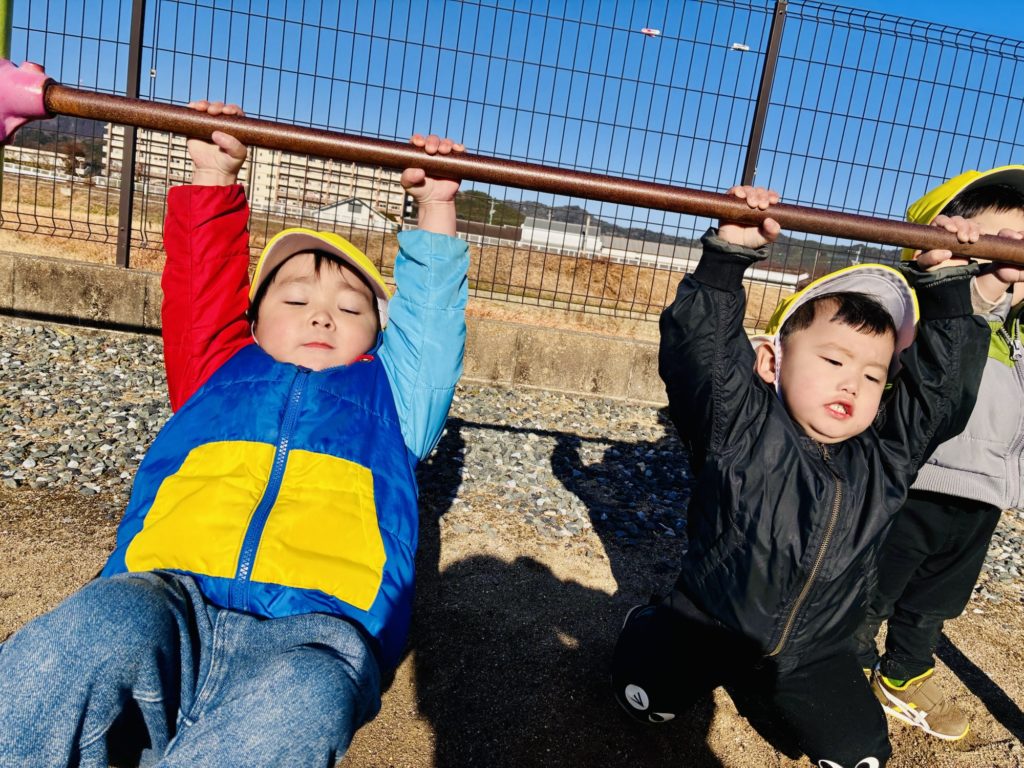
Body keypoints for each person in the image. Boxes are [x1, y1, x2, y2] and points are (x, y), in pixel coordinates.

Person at [0, 101, 469, 767]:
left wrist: (436, 210)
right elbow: (200, 284)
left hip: (316, 630)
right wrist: (213, 173)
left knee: (308, 698)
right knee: (84, 635)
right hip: (168, 593)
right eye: (295, 299)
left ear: (378, 335)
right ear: (252, 324)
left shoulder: (395, 400)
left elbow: (430, 327)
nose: (322, 316)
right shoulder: (216, 369)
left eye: (350, 307)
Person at [611, 184, 996, 767]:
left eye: (873, 375)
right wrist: (726, 257)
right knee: (643, 703)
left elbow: (941, 397)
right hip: (706, 624)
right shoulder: (738, 425)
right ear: (772, 361)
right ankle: (650, 627)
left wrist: (946, 289)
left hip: (818, 649)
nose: (852, 383)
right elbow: (702, 353)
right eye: (833, 360)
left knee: (861, 756)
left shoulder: (886, 456)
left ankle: (797, 692)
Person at [854, 166, 1024, 741]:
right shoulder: (924, 306)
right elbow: (943, 340)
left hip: (982, 494)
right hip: (917, 484)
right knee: (874, 586)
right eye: (1007, 236)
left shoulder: (1014, 329)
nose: (1021, 249)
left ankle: (903, 672)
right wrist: (949, 276)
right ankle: (845, 667)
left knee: (936, 596)